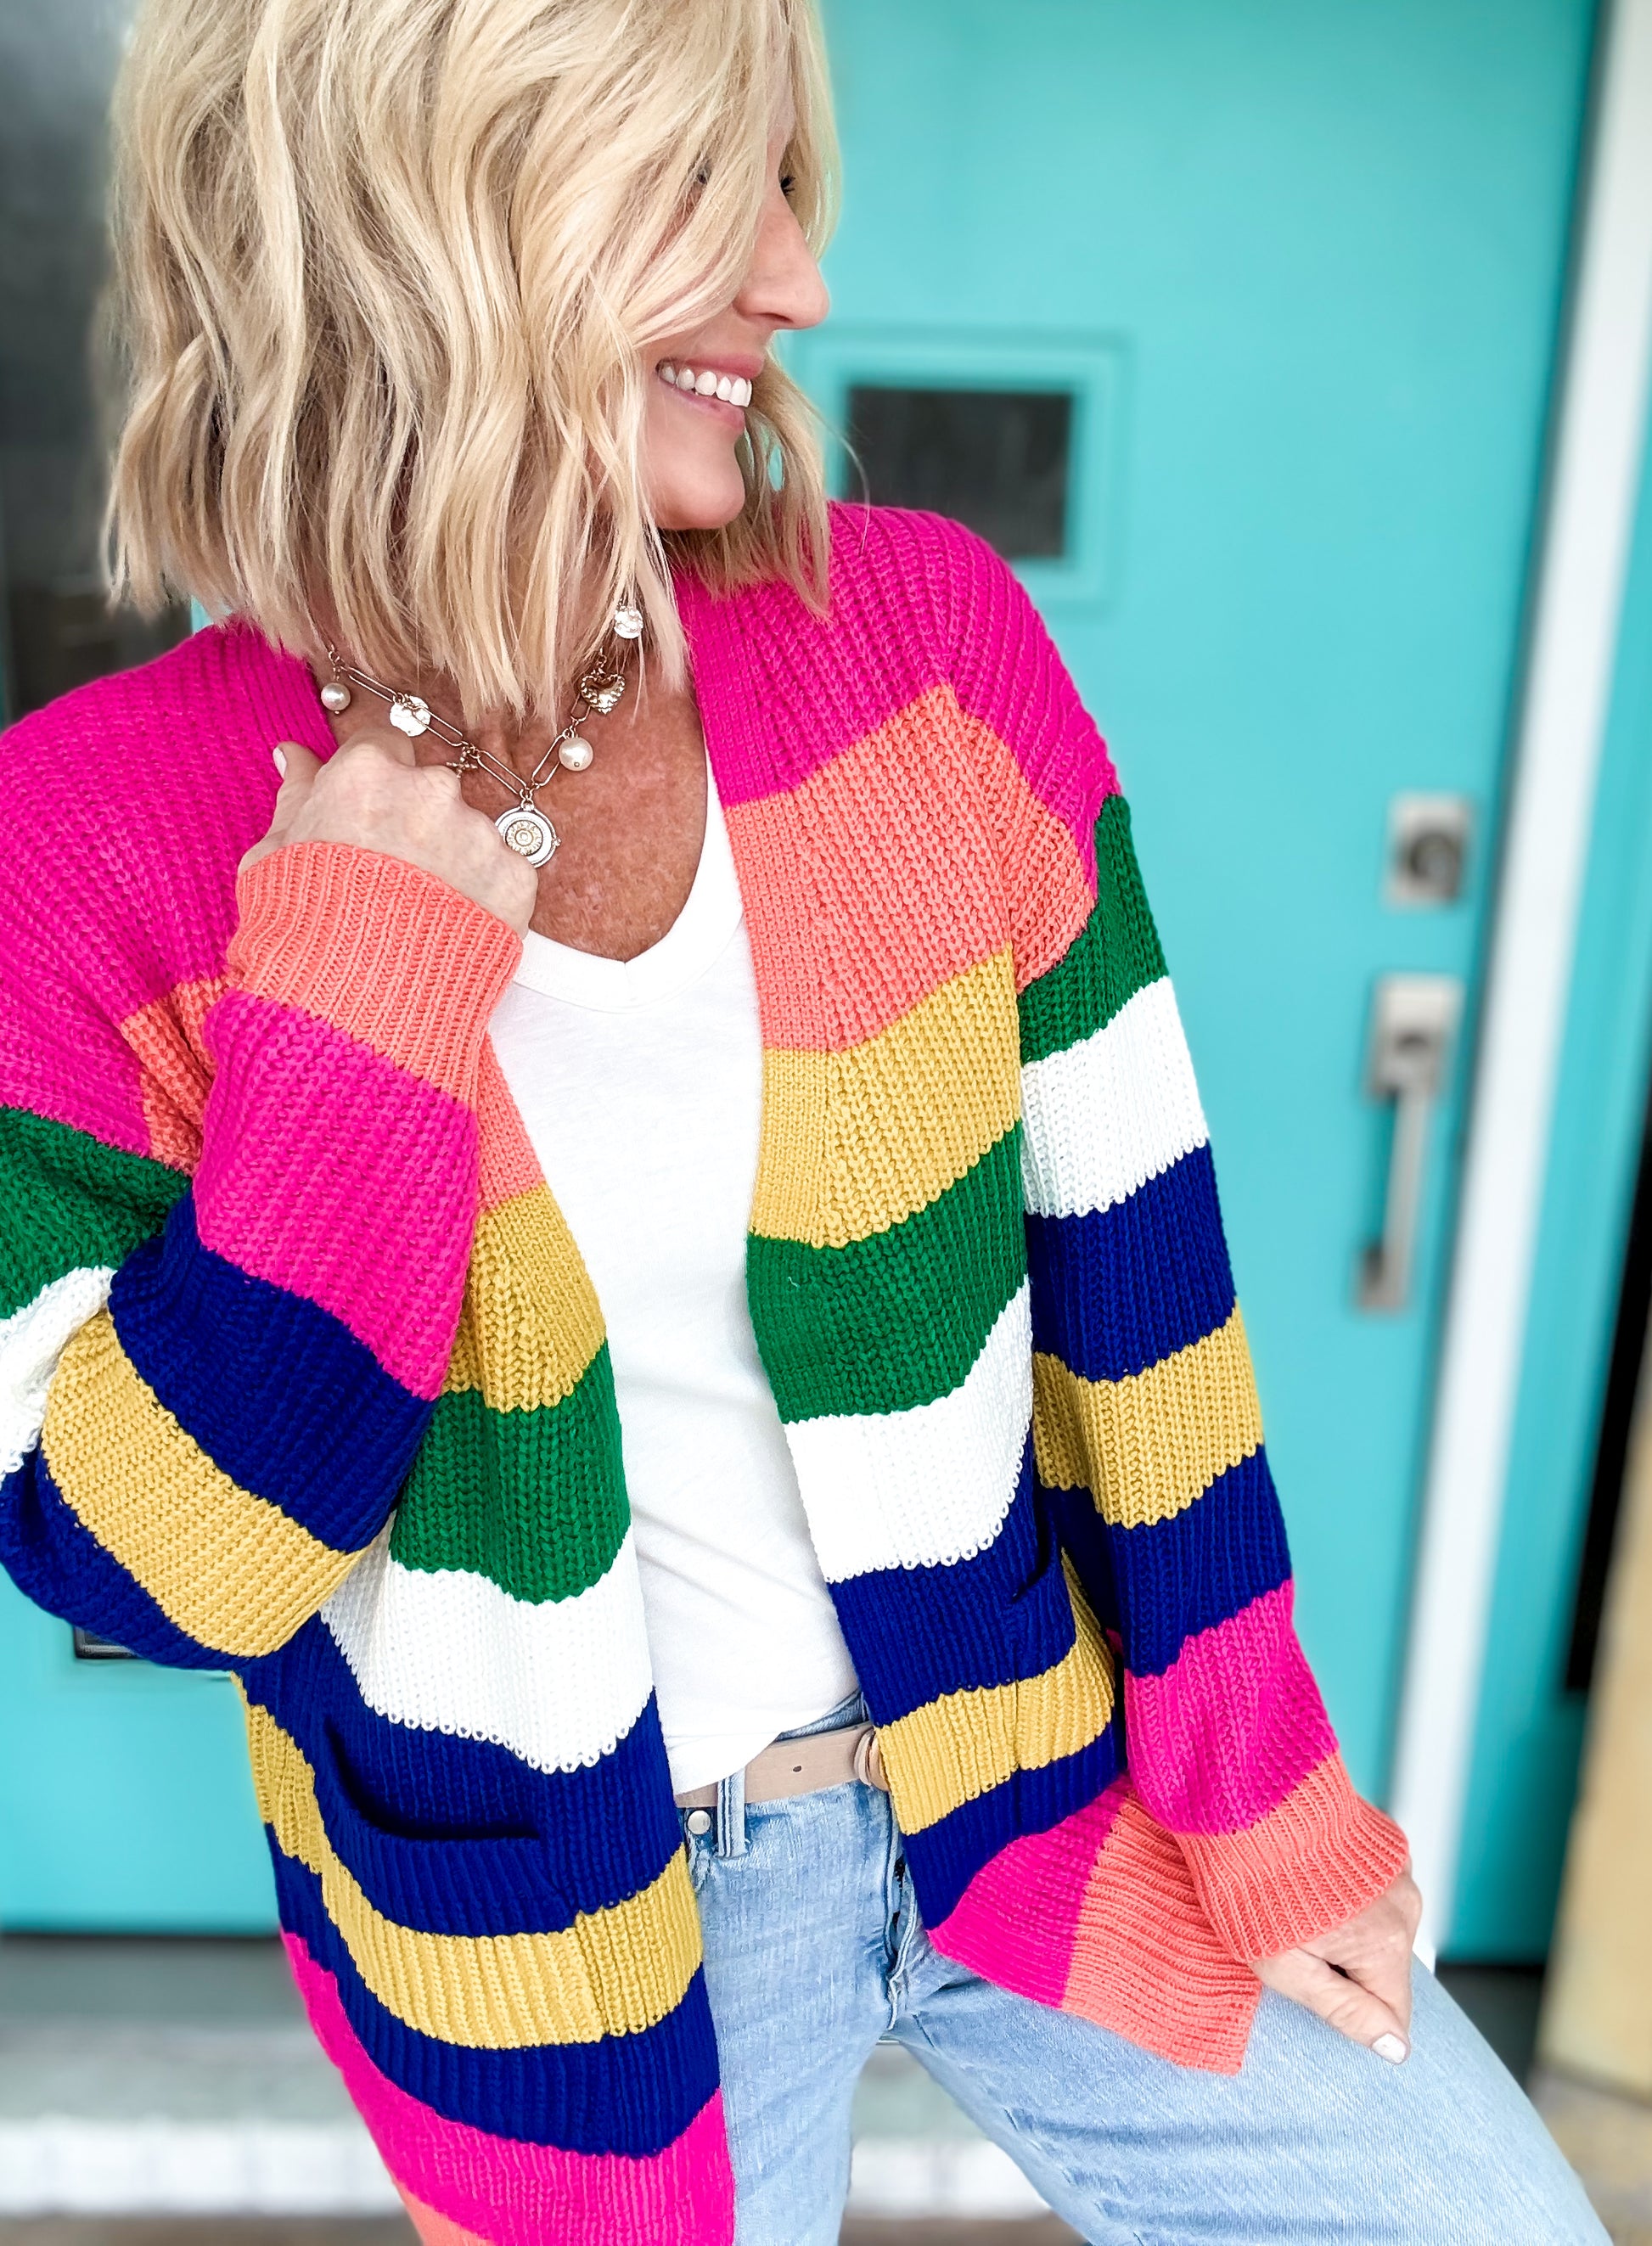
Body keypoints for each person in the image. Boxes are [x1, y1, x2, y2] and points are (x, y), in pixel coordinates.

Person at [0, 0, 1608, 2240]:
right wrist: (355, 999)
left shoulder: (922, 643)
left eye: (783, 185)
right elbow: (161, 1569)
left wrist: (1263, 1791)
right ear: (423, 217)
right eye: (704, 189)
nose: (798, 277)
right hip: (576, 1933)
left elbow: (1142, 1291)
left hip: (1025, 1780)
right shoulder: (82, 840)